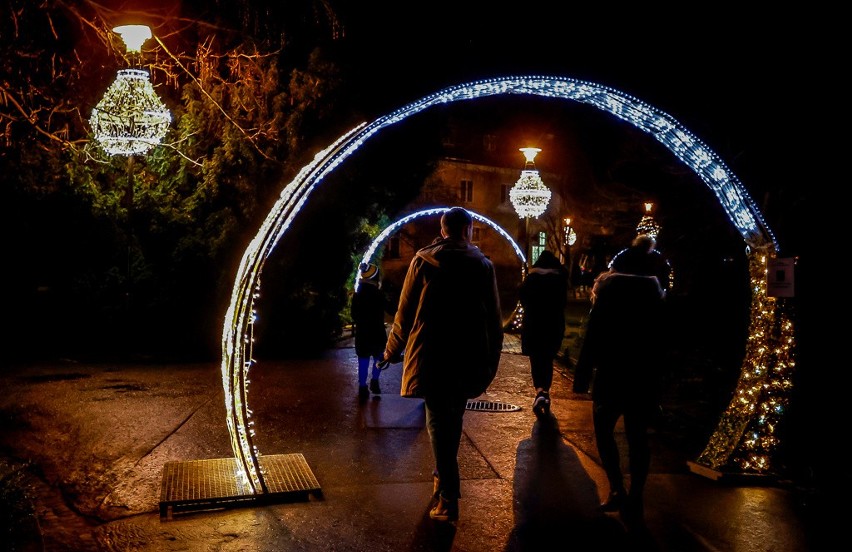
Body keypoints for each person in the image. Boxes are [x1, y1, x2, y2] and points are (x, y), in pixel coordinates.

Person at [383, 207, 503, 523]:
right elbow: (493, 317)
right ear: (468, 231)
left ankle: (448, 494)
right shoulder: (483, 266)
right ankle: (442, 479)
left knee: (439, 424)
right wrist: (492, 359)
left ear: (443, 228)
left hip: (432, 354)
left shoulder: (422, 261)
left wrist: (391, 350)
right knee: (451, 421)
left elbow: (404, 312)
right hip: (468, 355)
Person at [572, 234, 668, 529]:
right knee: (638, 436)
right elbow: (664, 342)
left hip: (611, 374)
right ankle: (635, 494)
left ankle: (616, 486)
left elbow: (594, 336)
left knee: (604, 431)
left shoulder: (608, 295)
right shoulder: (655, 298)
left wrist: (582, 375)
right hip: (643, 376)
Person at [518, 250, 569, 417]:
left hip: (534, 325)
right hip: (553, 325)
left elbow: (523, 298)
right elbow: (563, 303)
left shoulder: (531, 279)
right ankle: (544, 391)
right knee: (547, 358)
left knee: (536, 359)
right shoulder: (559, 280)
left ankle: (540, 390)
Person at [351, 262, 394, 402]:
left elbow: (354, 315)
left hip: (363, 333)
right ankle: (375, 381)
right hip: (377, 332)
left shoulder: (357, 295)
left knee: (363, 360)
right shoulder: (379, 294)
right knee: (378, 358)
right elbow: (391, 310)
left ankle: (362, 387)